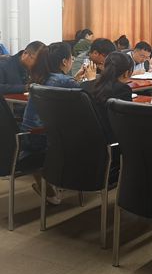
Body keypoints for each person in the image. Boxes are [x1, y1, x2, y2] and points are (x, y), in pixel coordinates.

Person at [22, 42, 96, 205]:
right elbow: (87, 101)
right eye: (71, 58)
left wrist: (75, 79)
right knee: (93, 134)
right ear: (64, 61)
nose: (72, 61)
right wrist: (91, 80)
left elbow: (63, 86)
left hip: (27, 137)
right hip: (47, 140)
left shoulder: (40, 77)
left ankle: (50, 188)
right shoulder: (64, 81)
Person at [81, 51, 134, 143]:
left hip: (88, 137)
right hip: (112, 139)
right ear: (127, 73)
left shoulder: (84, 85)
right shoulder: (123, 89)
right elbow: (126, 119)